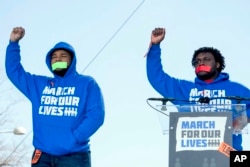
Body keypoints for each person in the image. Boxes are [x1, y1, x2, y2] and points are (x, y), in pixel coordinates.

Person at [5, 27, 105, 167]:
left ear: (72, 60)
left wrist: (74, 138)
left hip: (74, 157)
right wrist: (13, 43)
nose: (58, 59)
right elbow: (14, 72)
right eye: (54, 57)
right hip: (42, 157)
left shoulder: (87, 84)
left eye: (63, 56)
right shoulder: (39, 85)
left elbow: (96, 115)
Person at [146, 27, 250, 151]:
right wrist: (155, 46)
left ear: (217, 64)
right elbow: (157, 78)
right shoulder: (183, 89)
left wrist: (241, 121)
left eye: (207, 59)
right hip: (193, 157)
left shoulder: (236, 89)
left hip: (229, 153)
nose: (201, 63)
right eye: (197, 61)